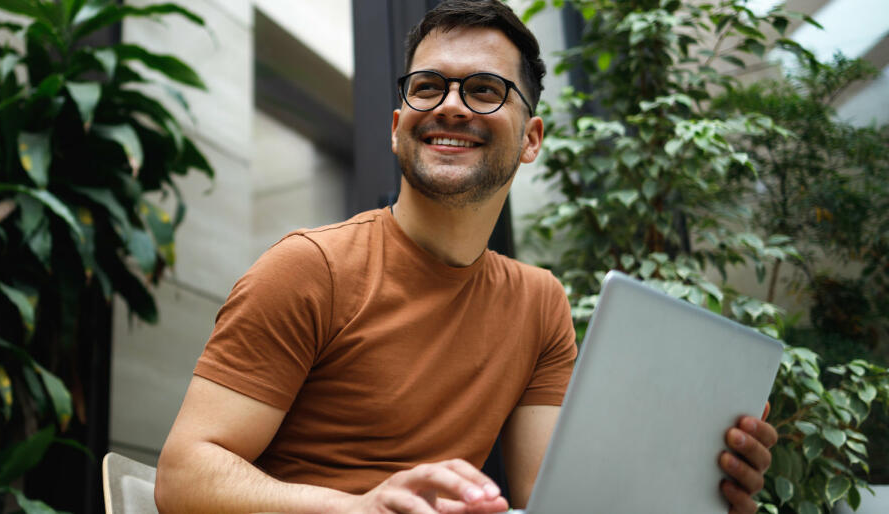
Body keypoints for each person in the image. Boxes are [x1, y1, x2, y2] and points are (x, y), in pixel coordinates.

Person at [154, 1, 778, 512]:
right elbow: (181, 476)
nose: (450, 105)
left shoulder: (540, 302)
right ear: (399, 124)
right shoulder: (310, 268)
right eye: (429, 88)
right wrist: (362, 509)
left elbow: (549, 499)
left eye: (484, 89)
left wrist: (701, 485)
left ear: (532, 138)